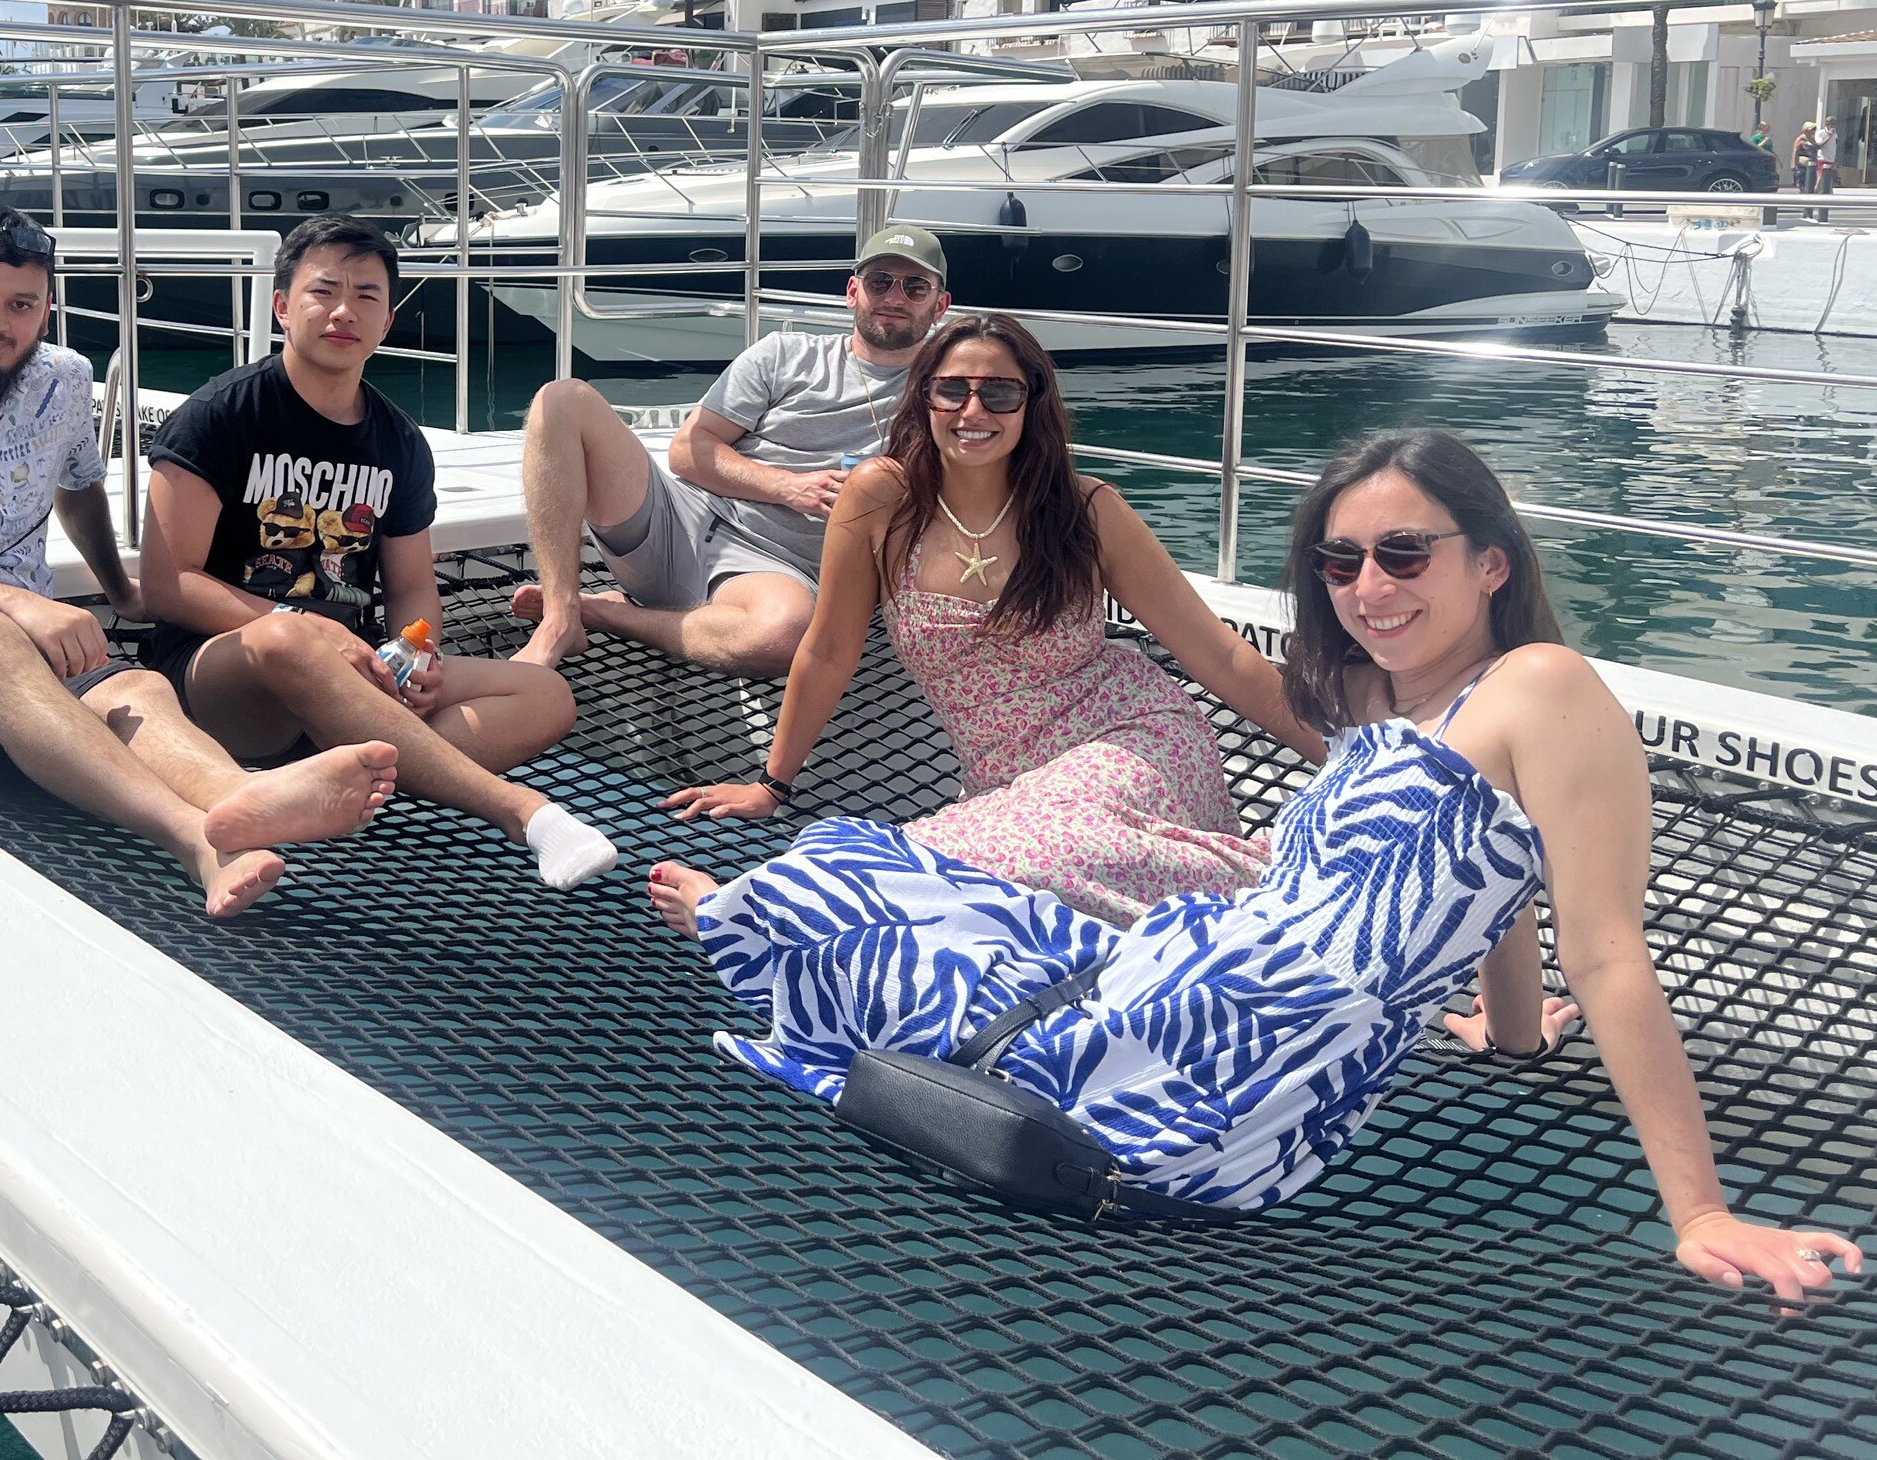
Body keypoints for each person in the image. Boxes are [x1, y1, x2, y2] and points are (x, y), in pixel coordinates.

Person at [646, 429, 1866, 1299]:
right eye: (1340, 565)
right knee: (856, 861)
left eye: (1404, 554)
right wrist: (1508, 1032)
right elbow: (1503, 883)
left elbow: (1605, 949)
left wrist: (1699, 1212)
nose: (1367, 589)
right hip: (1193, 983)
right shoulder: (1408, 709)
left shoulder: (1542, 688)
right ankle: (776, 924)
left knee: (852, 898)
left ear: (1492, 561)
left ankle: (758, 928)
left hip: (1217, 1058)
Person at [0, 206, 399, 919]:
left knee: (139, 689)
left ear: (46, 311)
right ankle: (192, 836)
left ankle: (241, 803)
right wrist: (16, 602)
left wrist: (120, 589)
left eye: (20, 304)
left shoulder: (62, 381)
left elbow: (79, 488)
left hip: (18, 650)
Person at [662, 312, 1321, 925]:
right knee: (1000, 872)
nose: (972, 410)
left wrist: (1353, 759)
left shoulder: (1085, 510)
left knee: (1039, 856)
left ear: (1031, 404)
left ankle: (762, 914)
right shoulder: (878, 499)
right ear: (922, 399)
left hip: (1131, 736)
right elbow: (828, 651)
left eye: (999, 393)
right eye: (952, 391)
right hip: (1010, 781)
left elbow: (1217, 656)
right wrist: (771, 785)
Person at [139, 216, 604, 888]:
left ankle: (334, 778)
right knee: (287, 639)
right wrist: (308, 633)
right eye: (323, 291)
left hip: (356, 675)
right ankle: (520, 812)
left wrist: (418, 655)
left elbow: (413, 586)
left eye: (366, 296)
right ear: (281, 307)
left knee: (546, 693)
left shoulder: (399, 441)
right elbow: (167, 583)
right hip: (226, 675)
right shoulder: (221, 416)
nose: (343, 311)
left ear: (386, 322)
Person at [508, 225, 955, 676]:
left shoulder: (952, 396)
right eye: (880, 282)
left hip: (775, 572)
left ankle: (605, 613)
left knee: (785, 636)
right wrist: (790, 488)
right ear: (853, 292)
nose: (894, 298)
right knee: (561, 399)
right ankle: (561, 616)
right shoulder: (785, 354)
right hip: (679, 521)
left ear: (940, 305)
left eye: (915, 287)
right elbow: (687, 451)